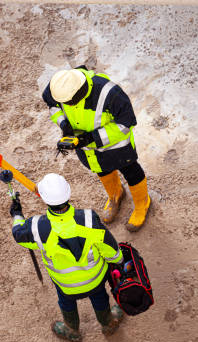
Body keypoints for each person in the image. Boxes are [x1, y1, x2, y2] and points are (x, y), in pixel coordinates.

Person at [10, 173, 124, 342]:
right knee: (100, 298)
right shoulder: (88, 218)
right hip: (95, 279)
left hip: (65, 284)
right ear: (68, 194)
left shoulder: (36, 227)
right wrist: (119, 262)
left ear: (45, 199)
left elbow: (19, 235)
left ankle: (72, 329)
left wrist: (17, 214)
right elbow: (111, 249)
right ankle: (108, 323)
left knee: (66, 302)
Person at [42, 66, 151, 231]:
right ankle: (116, 194)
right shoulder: (58, 88)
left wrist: (91, 138)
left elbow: (125, 124)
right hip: (87, 148)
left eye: (69, 102)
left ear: (80, 91)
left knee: (131, 172)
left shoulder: (110, 93)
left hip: (117, 146)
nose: (67, 105)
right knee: (101, 168)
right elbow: (52, 106)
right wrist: (63, 124)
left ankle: (142, 203)